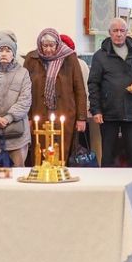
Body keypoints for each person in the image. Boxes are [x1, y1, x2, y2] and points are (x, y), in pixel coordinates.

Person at [88, 18, 132, 168]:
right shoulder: (100, 56)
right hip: (109, 112)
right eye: (115, 31)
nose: (118, 34)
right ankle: (107, 182)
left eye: (122, 31)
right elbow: (93, 84)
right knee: (108, 155)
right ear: (109, 33)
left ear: (126, 32)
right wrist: (96, 110)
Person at [23, 28, 89, 164]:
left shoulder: (70, 58)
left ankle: (60, 174)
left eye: (52, 46)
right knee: (40, 151)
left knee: (61, 151)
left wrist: (81, 118)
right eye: (45, 46)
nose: (48, 49)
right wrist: (28, 117)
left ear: (58, 44)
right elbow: (25, 90)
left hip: (65, 113)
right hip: (39, 113)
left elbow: (80, 90)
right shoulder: (31, 59)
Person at [0, 32, 33, 169]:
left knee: (18, 171)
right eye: (1, 50)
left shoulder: (23, 73)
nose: (4, 54)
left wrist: (8, 118)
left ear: (14, 54)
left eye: (8, 50)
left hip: (17, 133)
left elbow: (25, 100)